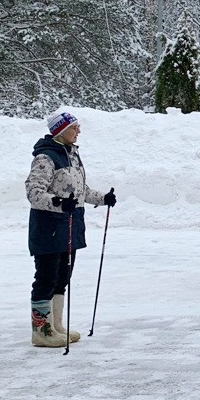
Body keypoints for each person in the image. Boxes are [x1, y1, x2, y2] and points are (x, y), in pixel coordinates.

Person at [25, 110, 116, 348]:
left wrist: (102, 198)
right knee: (46, 277)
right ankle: (41, 331)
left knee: (63, 277)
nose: (79, 131)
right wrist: (57, 203)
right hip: (49, 226)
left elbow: (80, 191)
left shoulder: (72, 155)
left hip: (70, 226)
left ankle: (56, 326)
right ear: (60, 130)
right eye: (74, 127)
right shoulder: (46, 157)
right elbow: (34, 192)